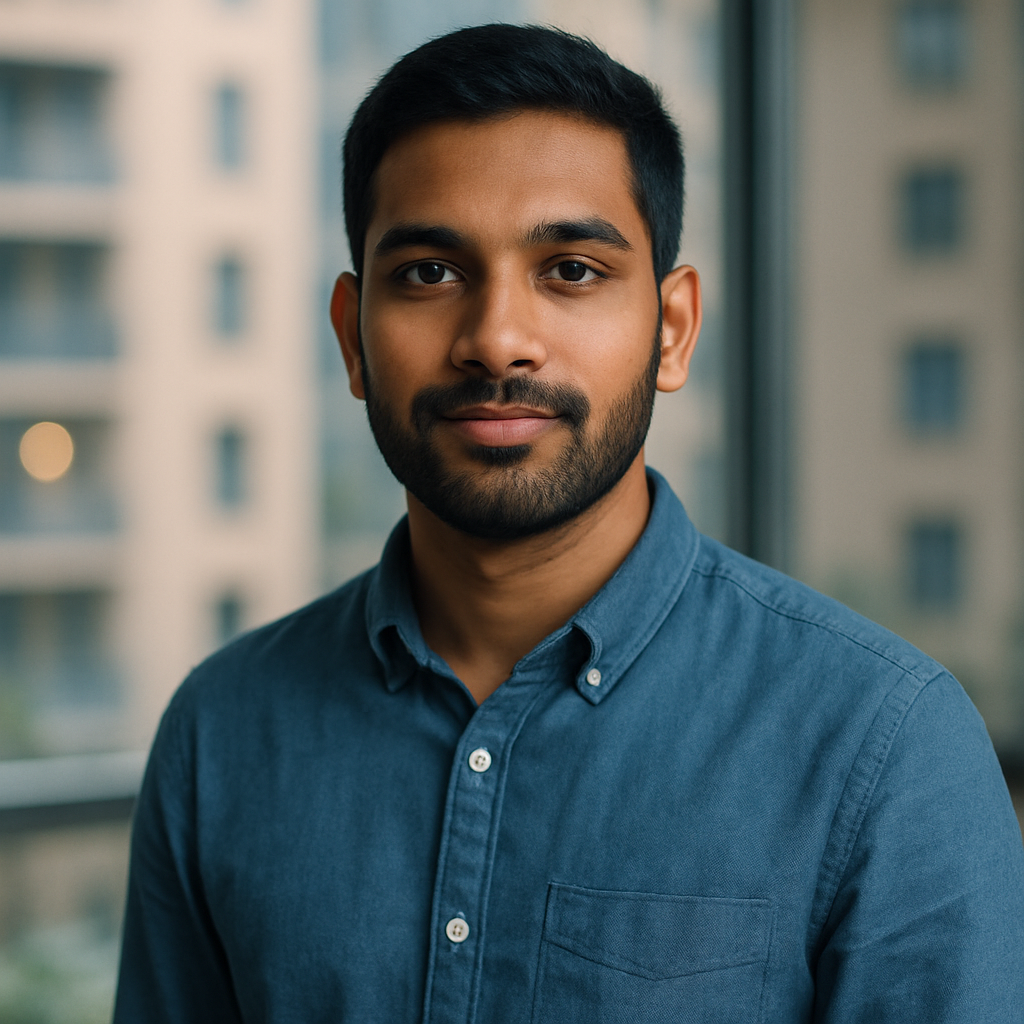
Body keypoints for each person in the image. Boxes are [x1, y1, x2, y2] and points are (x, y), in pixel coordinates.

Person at [114, 23, 1024, 1023]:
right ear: (352, 334)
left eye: (572, 271)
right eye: (427, 272)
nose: (498, 337)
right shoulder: (221, 731)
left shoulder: (885, 746)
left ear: (671, 329)